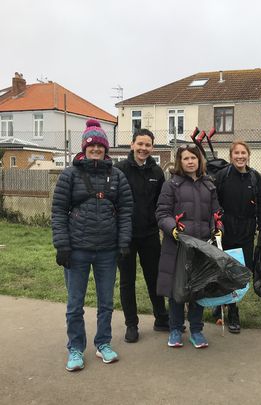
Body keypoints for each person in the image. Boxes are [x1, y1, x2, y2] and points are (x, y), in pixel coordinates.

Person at [52, 119, 133, 372]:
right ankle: (75, 348)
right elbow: (58, 211)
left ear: (106, 149)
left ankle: (103, 343)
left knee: (106, 302)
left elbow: (126, 211)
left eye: (100, 146)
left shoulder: (117, 176)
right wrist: (62, 245)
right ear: (84, 148)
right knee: (75, 303)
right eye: (92, 146)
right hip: (77, 249)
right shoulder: (69, 175)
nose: (96, 150)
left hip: (107, 251)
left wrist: (123, 243)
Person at [155, 145, 221, 349]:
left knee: (198, 289)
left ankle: (197, 330)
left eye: (194, 157)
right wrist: (173, 229)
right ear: (180, 162)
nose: (190, 161)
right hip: (178, 246)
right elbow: (162, 213)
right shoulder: (171, 185)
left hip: (201, 247)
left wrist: (217, 228)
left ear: (199, 161)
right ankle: (175, 329)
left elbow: (216, 213)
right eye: (186, 158)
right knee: (178, 290)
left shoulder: (209, 185)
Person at [115, 128, 168, 343]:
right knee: (127, 281)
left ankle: (161, 319)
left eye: (148, 145)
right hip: (125, 236)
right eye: (140, 144)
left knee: (154, 277)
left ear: (152, 147)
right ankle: (131, 325)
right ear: (132, 145)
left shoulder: (157, 173)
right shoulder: (119, 171)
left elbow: (161, 203)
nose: (143, 149)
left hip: (149, 234)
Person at [213, 140, 261, 333]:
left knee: (241, 273)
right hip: (226, 231)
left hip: (246, 232)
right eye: (236, 153)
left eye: (243, 153)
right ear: (231, 156)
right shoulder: (222, 176)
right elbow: (214, 201)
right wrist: (216, 224)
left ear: (248, 155)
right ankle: (232, 312)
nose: (240, 156)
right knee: (226, 271)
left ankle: (226, 303)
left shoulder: (254, 177)